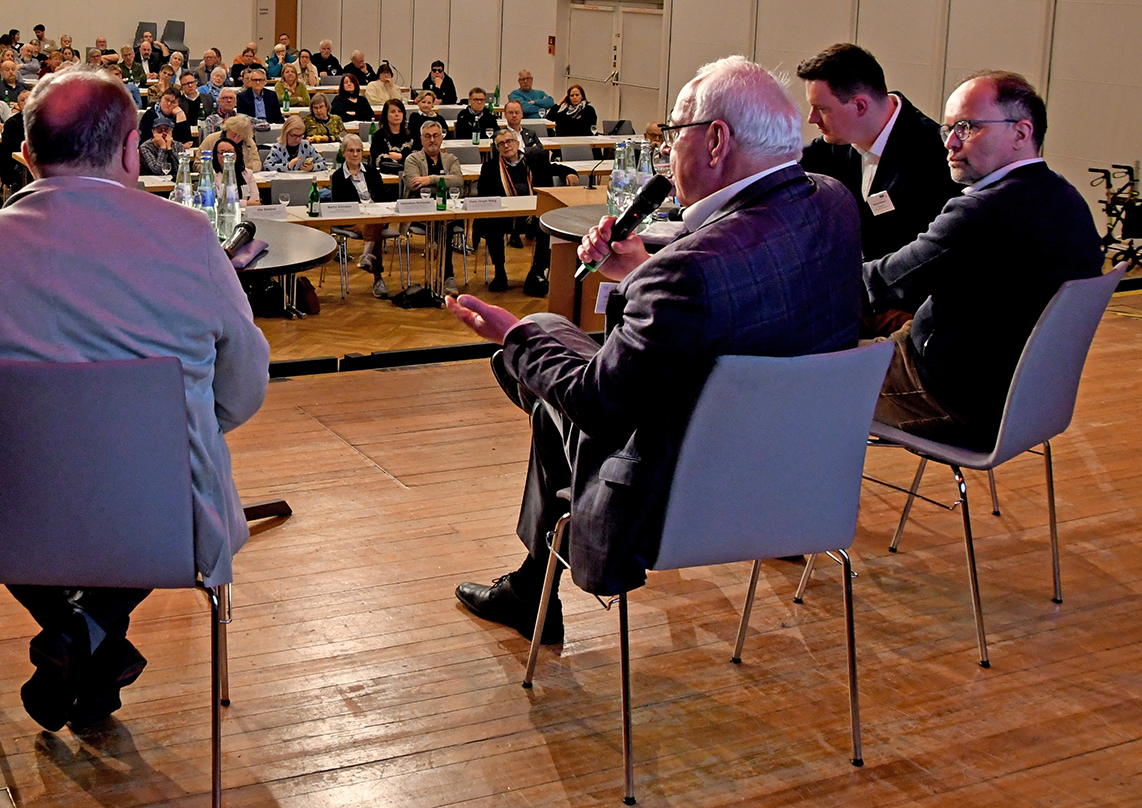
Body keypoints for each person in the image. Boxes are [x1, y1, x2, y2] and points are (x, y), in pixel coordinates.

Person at [0, 66, 269, 731]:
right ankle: (94, 637)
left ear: (27, 154)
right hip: (163, 523)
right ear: (132, 150)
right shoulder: (190, 242)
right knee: (156, 483)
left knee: (14, 487)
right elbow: (242, 393)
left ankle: (76, 636)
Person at [445, 56, 863, 639]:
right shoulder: (834, 202)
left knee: (543, 356)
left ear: (716, 140)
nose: (666, 153)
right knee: (550, 359)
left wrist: (512, 337)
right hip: (803, 486)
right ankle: (528, 585)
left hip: (681, 502)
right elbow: (750, 297)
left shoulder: (688, 276)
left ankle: (531, 589)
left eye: (672, 134)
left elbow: (600, 405)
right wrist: (644, 268)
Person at [863, 71, 1103, 450]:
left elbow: (883, 284)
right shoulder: (1067, 200)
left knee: (801, 381)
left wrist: (807, 274)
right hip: (1024, 402)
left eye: (967, 128)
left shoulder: (983, 211)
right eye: (947, 130)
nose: (950, 144)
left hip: (951, 399)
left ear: (1021, 134)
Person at [797, 43, 961, 263]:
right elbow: (784, 165)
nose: (812, 118)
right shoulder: (839, 139)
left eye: (823, 109)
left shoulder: (933, 157)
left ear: (860, 106)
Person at [475, 128, 559, 295]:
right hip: (504, 215)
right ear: (497, 148)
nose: (506, 146)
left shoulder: (533, 161)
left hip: (530, 215)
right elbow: (483, 192)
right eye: (501, 144)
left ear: (517, 143)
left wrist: (570, 173)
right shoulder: (490, 167)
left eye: (509, 141)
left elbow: (553, 169)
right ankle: (500, 274)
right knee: (492, 226)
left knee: (546, 226)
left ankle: (537, 271)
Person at [330, 132, 396, 298]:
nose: (355, 154)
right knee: (374, 230)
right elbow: (340, 203)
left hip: (376, 216)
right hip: (352, 219)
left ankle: (367, 255)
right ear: (343, 153)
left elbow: (382, 197)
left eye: (358, 150)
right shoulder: (338, 177)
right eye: (351, 150)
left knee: (373, 224)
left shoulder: (372, 172)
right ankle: (378, 277)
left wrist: (372, 210)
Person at [403, 120, 466, 284]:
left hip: (448, 211)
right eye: (428, 136)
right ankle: (447, 276)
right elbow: (415, 185)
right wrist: (443, 184)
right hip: (420, 211)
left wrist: (430, 179)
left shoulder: (451, 159)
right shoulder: (413, 159)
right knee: (443, 225)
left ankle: (445, 273)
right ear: (421, 139)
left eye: (435, 136)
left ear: (441, 138)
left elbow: (458, 181)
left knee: (445, 223)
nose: (432, 140)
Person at [370, 99, 417, 175]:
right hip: (386, 177)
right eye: (393, 112)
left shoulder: (411, 135)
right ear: (386, 115)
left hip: (409, 176)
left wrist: (400, 156)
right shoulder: (379, 136)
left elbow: (417, 157)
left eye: (399, 111)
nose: (397, 114)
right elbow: (378, 160)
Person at [209, 136, 261, 203]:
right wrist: (246, 203)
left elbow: (256, 200)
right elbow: (219, 202)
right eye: (222, 153)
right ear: (216, 156)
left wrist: (246, 204)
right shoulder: (211, 175)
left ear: (236, 154)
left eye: (230, 152)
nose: (227, 155)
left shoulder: (247, 173)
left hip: (247, 212)